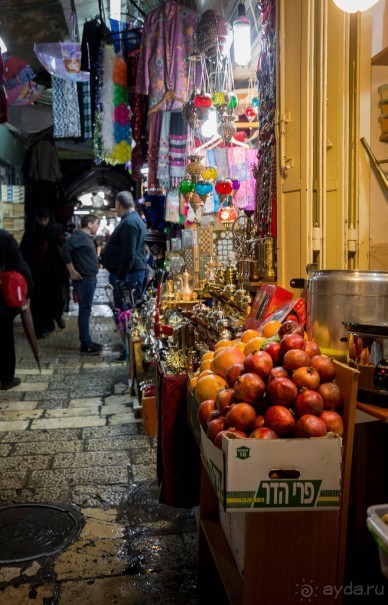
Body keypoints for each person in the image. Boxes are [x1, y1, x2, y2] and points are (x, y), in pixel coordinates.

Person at [20, 208, 68, 338]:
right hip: (36, 274)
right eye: (40, 219)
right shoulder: (31, 234)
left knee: (54, 300)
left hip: (54, 274)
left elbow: (62, 251)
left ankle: (53, 319)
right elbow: (24, 252)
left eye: (45, 219)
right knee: (38, 302)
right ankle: (40, 329)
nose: (42, 222)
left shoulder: (56, 232)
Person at [61, 214, 103, 354]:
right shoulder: (79, 236)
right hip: (84, 280)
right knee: (85, 311)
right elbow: (65, 250)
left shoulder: (85, 238)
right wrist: (72, 271)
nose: (98, 226)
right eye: (97, 223)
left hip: (89, 279)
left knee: (86, 310)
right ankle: (86, 344)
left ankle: (87, 341)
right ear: (89, 224)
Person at [0, 229, 34, 390]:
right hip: (2, 300)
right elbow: (21, 266)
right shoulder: (4, 237)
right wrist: (29, 292)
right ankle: (6, 379)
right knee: (4, 339)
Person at [103, 191, 147, 309]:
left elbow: (129, 253)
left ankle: (125, 328)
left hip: (128, 275)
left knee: (127, 311)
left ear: (118, 204)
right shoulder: (133, 219)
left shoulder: (129, 223)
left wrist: (120, 278)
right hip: (131, 273)